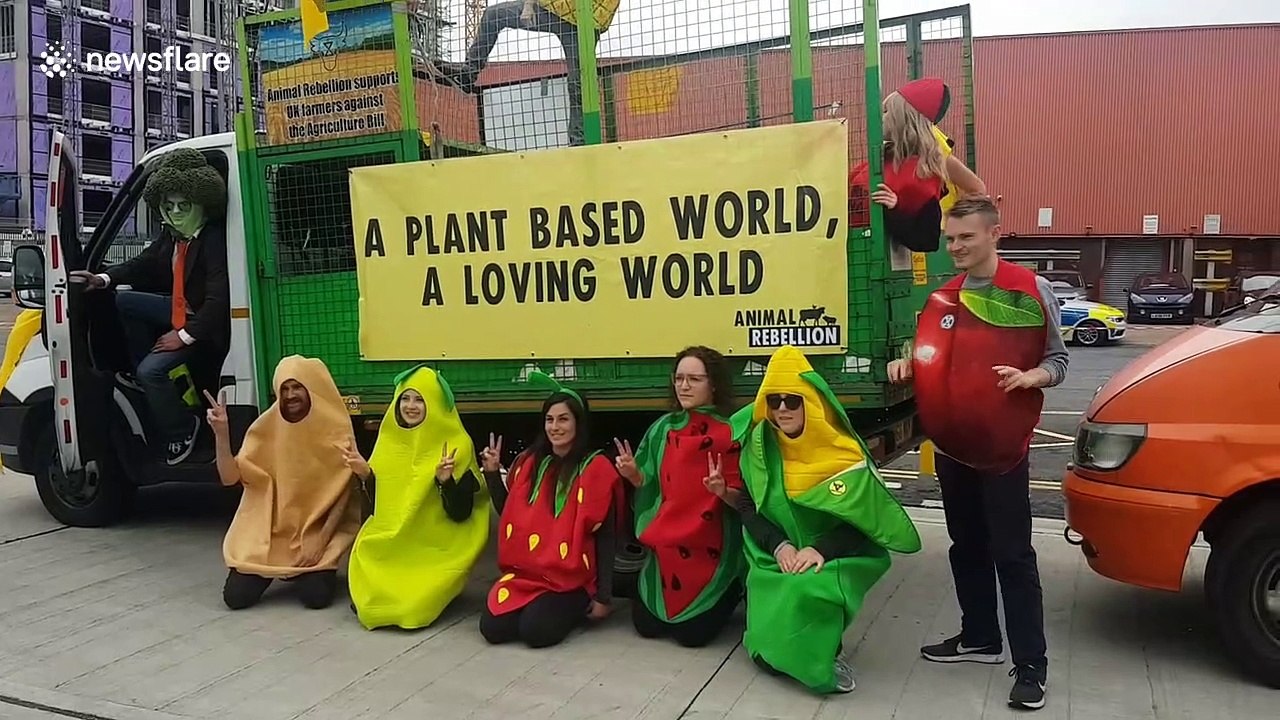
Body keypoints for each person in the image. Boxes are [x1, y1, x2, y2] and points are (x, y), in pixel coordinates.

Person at [888, 196, 1068, 711]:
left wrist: (1032, 376)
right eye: (950, 238)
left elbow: (1058, 360)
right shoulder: (944, 297)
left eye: (965, 236)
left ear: (994, 234)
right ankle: (980, 637)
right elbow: (933, 357)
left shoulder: (1030, 290)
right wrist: (909, 366)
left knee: (1012, 555)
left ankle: (1030, 664)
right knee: (965, 546)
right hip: (953, 445)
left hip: (1003, 448)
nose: (956, 246)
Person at [731, 345, 922, 694]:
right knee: (765, 655)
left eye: (792, 400)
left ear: (810, 402)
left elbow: (867, 522)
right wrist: (780, 547)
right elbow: (747, 505)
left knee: (809, 587)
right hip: (775, 553)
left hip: (833, 554)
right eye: (774, 400)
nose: (783, 409)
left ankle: (825, 652)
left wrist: (819, 550)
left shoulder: (844, 453)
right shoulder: (758, 448)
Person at [71, 147, 230, 465]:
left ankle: (183, 429)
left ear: (201, 203)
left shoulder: (213, 240)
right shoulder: (172, 235)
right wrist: (102, 279)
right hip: (180, 308)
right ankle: (143, 372)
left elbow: (218, 302)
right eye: (169, 206)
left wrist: (182, 336)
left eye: (183, 205)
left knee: (151, 371)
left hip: (202, 322)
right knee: (125, 300)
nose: (175, 212)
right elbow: (142, 263)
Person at [476, 372, 624, 648]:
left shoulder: (596, 468)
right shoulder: (530, 462)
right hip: (526, 575)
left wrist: (603, 597)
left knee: (536, 633)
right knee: (493, 629)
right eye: (549, 419)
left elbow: (605, 536)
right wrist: (493, 474)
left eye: (563, 419)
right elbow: (508, 513)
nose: (555, 427)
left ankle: (570, 606)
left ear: (579, 422)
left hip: (569, 579)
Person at [205, 355, 362, 611]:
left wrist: (320, 540)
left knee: (316, 598)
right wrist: (221, 435)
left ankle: (307, 572)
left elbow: (344, 491)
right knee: (236, 598)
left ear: (311, 388)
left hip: (313, 535)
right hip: (267, 534)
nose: (290, 395)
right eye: (285, 388)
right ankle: (280, 568)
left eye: (297, 387)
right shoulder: (264, 428)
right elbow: (229, 478)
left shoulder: (336, 429)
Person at [614, 345, 746, 647]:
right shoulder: (662, 429)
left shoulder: (733, 432)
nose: (684, 386)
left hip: (713, 555)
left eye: (694, 379)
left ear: (714, 384)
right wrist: (632, 473)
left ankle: (731, 588)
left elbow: (746, 503)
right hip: (666, 553)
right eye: (679, 378)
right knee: (646, 627)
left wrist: (722, 491)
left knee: (692, 637)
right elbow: (647, 484)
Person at [343, 365, 490, 630]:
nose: (411, 406)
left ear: (434, 403)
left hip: (434, 546)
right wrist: (365, 474)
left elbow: (462, 513)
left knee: (412, 611)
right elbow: (379, 507)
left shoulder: (457, 444)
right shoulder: (389, 440)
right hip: (392, 541)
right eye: (405, 399)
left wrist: (445, 481)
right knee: (369, 599)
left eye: (420, 399)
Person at [437, 0, 621, 146]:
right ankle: (467, 75)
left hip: (586, 19)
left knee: (579, 83)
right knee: (493, 15)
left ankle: (580, 143)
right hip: (556, 10)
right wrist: (528, 5)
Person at [849, 77, 986, 252]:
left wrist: (957, 227)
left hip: (885, 248)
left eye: (886, 111)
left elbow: (976, 188)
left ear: (904, 120)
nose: (880, 118)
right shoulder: (878, 159)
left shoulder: (927, 165)